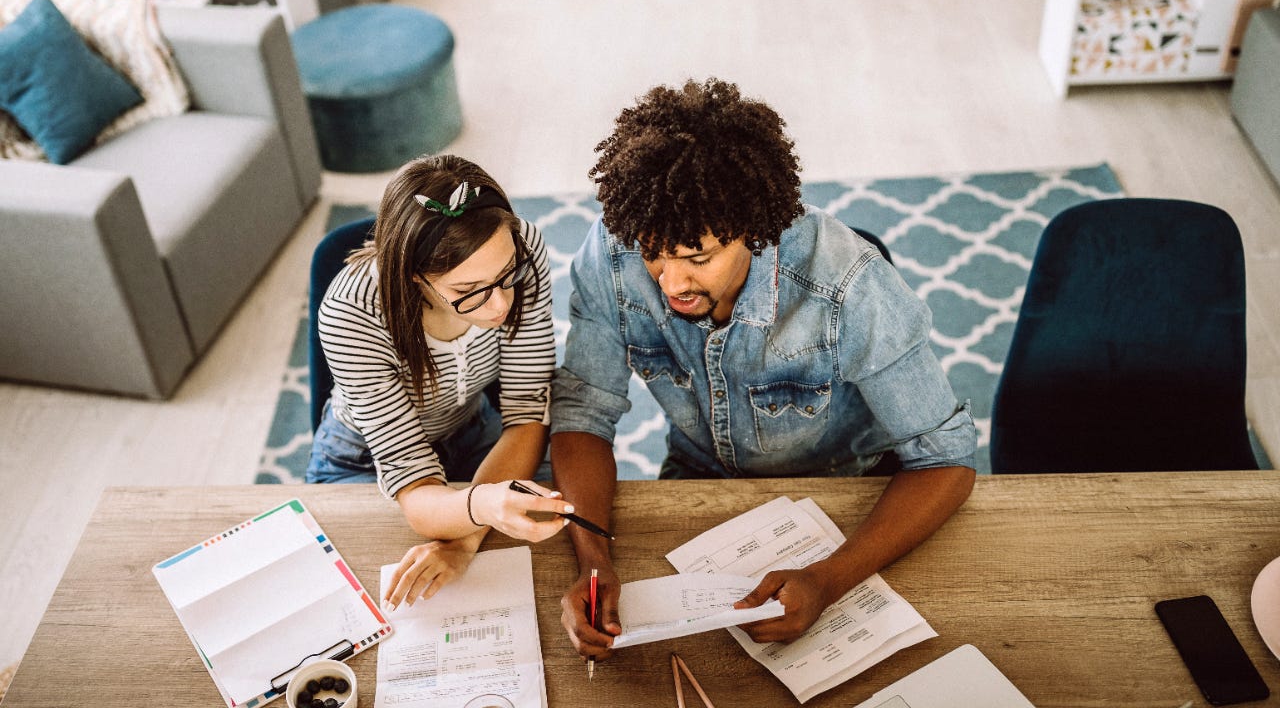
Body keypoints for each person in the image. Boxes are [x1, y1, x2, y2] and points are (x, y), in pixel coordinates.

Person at [550, 79, 978, 658]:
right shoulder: (611, 252)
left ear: (754, 232)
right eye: (655, 252)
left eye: (698, 258)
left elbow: (946, 461)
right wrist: (595, 562)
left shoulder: (848, 283)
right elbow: (582, 414)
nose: (670, 283)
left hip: (843, 491)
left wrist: (828, 581)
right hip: (695, 476)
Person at [308, 154, 571, 609]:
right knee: (350, 596)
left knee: (558, 543)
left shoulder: (522, 244)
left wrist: (464, 541)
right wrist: (484, 507)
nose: (499, 305)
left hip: (472, 427)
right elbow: (413, 482)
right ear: (414, 277)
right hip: (362, 457)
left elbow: (529, 410)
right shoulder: (350, 313)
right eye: (469, 292)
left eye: (506, 277)